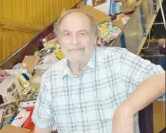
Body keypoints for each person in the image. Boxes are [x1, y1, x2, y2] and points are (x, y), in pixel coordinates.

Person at [32, 9, 165, 133]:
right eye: (67, 34)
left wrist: (125, 110)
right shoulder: (50, 78)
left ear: (95, 38)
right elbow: (42, 127)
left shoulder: (117, 60)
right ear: (60, 40)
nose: (74, 41)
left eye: (82, 33)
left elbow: (160, 78)